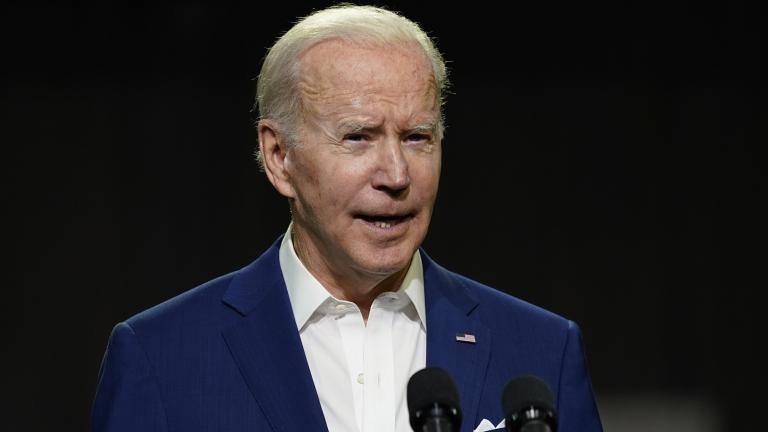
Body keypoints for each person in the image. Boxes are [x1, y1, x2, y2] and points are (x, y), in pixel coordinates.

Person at [91, 5, 602, 432]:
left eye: (417, 137)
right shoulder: (163, 359)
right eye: (359, 137)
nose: (397, 174)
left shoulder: (542, 352)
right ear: (278, 157)